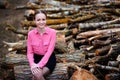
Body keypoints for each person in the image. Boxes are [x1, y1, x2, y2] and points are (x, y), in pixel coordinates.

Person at [27, 10, 56, 80]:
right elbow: (29, 52)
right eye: (38, 20)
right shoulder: (30, 34)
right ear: (34, 20)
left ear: (46, 20)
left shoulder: (53, 32)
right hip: (36, 58)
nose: (41, 22)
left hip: (49, 58)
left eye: (43, 19)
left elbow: (49, 51)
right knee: (37, 75)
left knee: (36, 77)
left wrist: (39, 65)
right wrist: (32, 64)